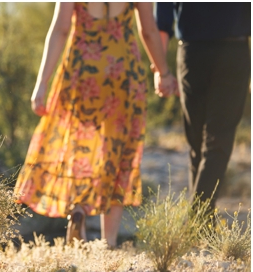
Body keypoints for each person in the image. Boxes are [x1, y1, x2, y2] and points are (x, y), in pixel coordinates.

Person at [14, 2, 175, 247]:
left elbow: (60, 29)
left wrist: (42, 83)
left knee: (80, 145)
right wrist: (163, 72)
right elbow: (149, 31)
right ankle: (107, 242)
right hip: (122, 73)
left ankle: (78, 209)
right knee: (117, 151)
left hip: (82, 70)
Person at [154, 2, 251, 222]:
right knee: (210, 140)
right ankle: (200, 221)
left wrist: (161, 69)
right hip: (227, 51)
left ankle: (199, 220)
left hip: (196, 51)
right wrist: (160, 69)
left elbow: (162, 17)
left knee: (202, 142)